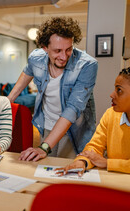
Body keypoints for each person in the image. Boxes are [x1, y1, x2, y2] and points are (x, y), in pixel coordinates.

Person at [8, 16, 98, 161]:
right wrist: (7, 102)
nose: (64, 56)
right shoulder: (36, 58)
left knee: (65, 172)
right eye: (57, 51)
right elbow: (27, 73)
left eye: (68, 49)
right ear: (45, 48)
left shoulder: (87, 65)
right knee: (45, 168)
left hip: (74, 130)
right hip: (47, 125)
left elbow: (73, 108)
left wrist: (44, 147)